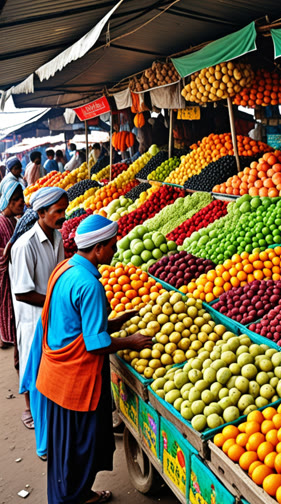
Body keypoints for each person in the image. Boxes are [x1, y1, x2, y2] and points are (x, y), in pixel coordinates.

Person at [34, 215, 153, 503]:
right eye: (112, 245)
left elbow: (76, 323)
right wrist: (132, 341)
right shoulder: (90, 285)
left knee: (66, 449)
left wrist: (117, 322)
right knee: (79, 447)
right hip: (76, 383)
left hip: (55, 377)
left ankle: (74, 494)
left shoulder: (65, 268)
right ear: (98, 249)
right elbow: (95, 344)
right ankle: (74, 497)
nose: (115, 250)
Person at [10, 187, 68, 433]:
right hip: (33, 320)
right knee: (34, 374)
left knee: (52, 374)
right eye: (58, 211)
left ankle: (52, 424)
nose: (63, 216)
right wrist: (55, 303)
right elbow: (22, 292)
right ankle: (41, 430)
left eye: (64, 210)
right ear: (41, 213)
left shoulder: (57, 238)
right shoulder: (25, 245)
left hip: (52, 317)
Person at [0, 182, 25, 349]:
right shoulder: (1, 222)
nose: (21, 203)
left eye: (21, 199)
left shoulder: (13, 221)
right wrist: (9, 251)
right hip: (6, 277)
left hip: (14, 276)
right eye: (17, 200)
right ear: (9, 201)